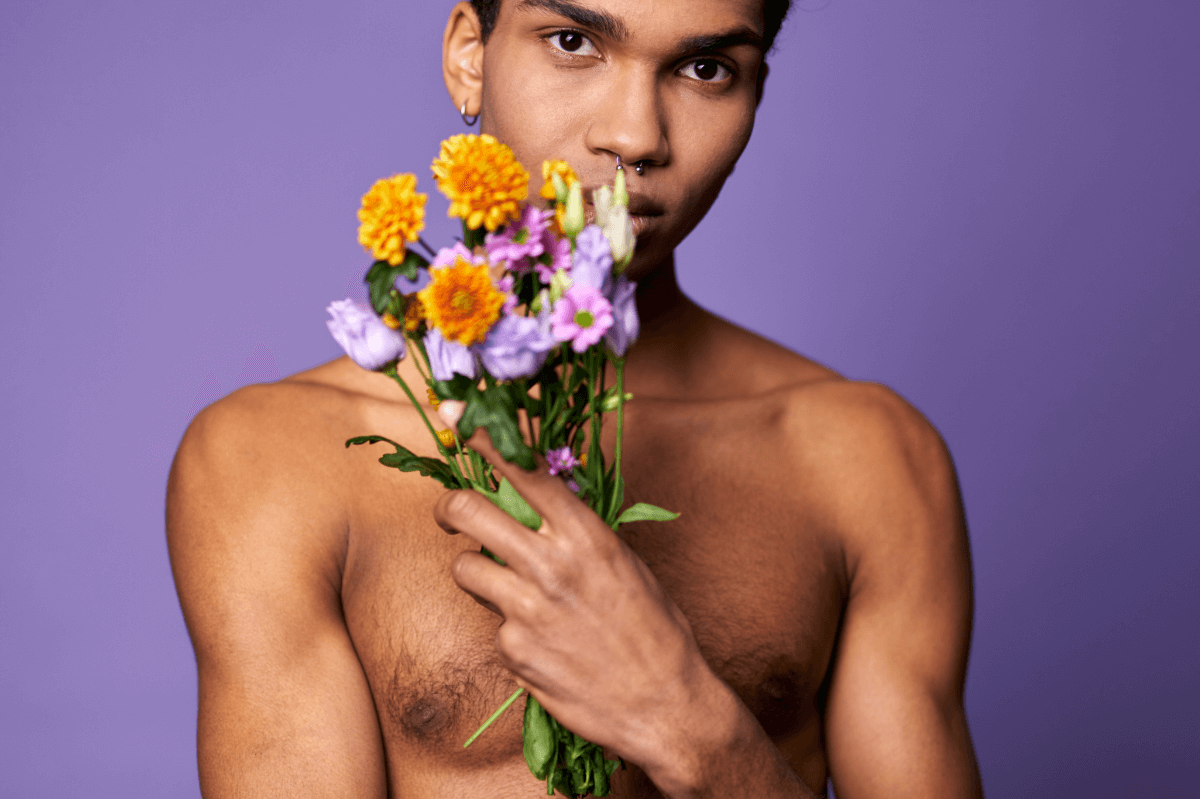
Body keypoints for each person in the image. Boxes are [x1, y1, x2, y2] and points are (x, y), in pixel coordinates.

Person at [166, 1, 984, 796]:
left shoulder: (871, 459)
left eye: (706, 69)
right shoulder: (268, 462)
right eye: (572, 42)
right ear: (468, 56)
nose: (634, 135)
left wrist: (692, 725)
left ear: (756, 95)